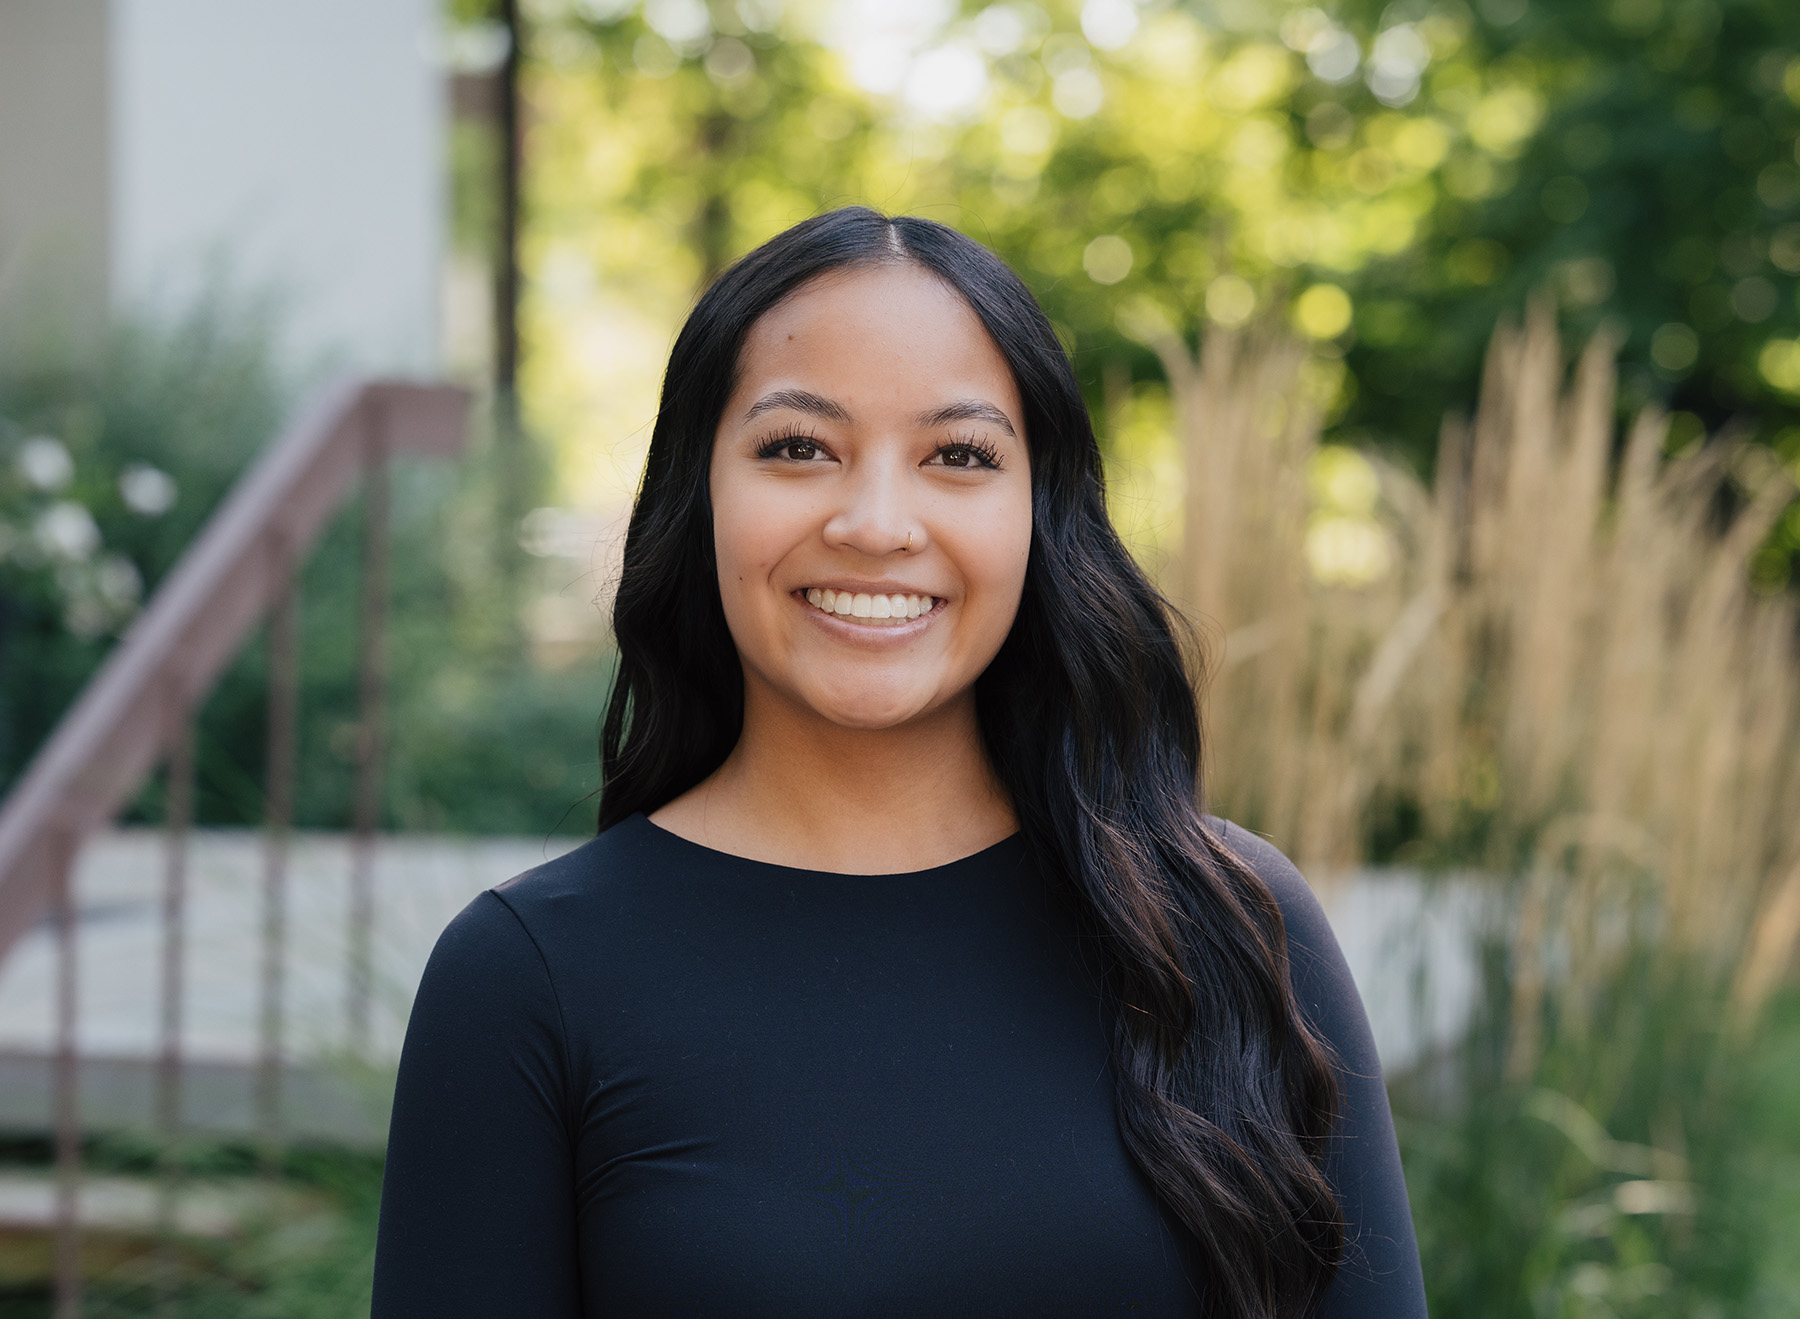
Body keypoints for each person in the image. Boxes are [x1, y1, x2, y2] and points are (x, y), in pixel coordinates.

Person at [372, 208, 1427, 1318]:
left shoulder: (1232, 924)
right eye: (797, 447)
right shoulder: (527, 978)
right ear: (700, 496)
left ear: (1041, 513)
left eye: (959, 456)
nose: (877, 522)